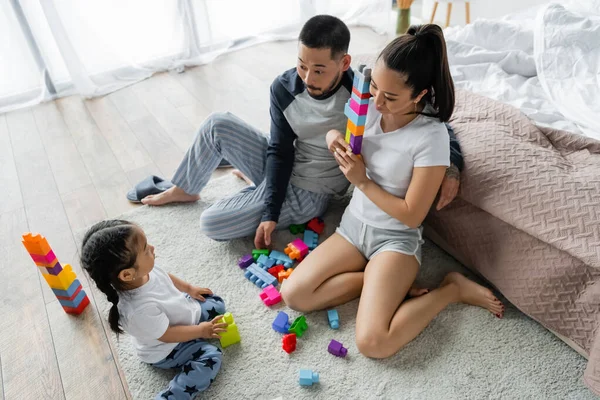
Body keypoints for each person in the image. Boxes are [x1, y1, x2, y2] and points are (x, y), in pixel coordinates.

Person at [134, 15, 463, 249]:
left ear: (344, 63)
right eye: (302, 64)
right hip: (285, 163)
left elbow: (434, 124)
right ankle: (187, 187)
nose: (308, 77)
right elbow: (279, 150)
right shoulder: (284, 87)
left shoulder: (362, 88)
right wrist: (270, 210)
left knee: (211, 222)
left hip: (311, 187)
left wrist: (452, 166)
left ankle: (257, 191)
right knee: (218, 123)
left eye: (319, 69)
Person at [280, 25, 504, 359]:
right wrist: (332, 139)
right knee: (294, 293)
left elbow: (413, 213)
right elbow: (340, 132)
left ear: (420, 95)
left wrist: (363, 181)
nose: (378, 101)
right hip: (354, 228)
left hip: (395, 240)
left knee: (374, 344)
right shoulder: (368, 103)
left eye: (391, 96)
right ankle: (380, 283)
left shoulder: (431, 136)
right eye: (374, 87)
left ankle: (451, 290)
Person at [81, 220, 227, 400]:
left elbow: (166, 277)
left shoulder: (143, 270)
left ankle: (194, 320)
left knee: (216, 303)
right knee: (211, 357)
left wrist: (189, 289)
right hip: (169, 347)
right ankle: (172, 396)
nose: (152, 247)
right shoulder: (138, 310)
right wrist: (200, 331)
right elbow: (167, 335)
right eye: (145, 248)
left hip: (179, 316)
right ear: (127, 274)